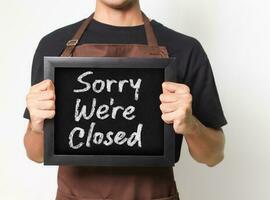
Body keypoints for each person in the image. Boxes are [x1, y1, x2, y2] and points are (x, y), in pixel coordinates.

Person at [23, 0, 227, 199]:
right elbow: (36, 154)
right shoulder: (53, 45)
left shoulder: (185, 48)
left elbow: (213, 155)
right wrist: (36, 125)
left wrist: (191, 125)